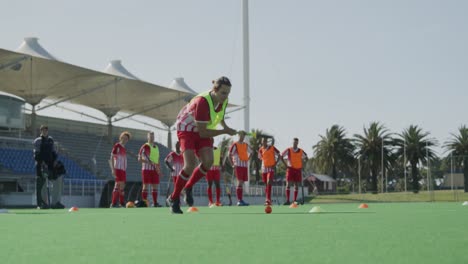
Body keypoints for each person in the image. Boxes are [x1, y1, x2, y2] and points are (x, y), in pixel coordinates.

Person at [166, 76, 237, 214]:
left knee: (208, 161)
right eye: (223, 93)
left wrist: (226, 127)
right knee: (189, 165)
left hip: (202, 128)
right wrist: (225, 131)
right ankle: (173, 198)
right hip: (187, 129)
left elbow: (219, 116)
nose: (226, 96)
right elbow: (203, 133)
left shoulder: (224, 100)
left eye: (228, 93)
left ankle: (189, 186)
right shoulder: (202, 102)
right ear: (214, 90)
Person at [33, 125, 65, 209]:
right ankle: (43, 203)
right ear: (41, 131)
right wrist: (42, 163)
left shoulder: (51, 140)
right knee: (43, 184)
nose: (45, 131)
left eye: (46, 130)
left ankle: (56, 202)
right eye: (43, 130)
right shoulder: (37, 141)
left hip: (51, 165)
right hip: (41, 166)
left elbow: (53, 152)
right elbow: (36, 155)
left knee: (58, 179)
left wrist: (55, 161)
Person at [281, 138, 308, 205]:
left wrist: (303, 165)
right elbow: (281, 156)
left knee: (296, 185)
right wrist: (286, 165)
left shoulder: (301, 151)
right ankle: (287, 200)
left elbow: (306, 158)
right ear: (292, 143)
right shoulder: (288, 150)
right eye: (294, 142)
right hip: (290, 169)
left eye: (296, 142)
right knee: (288, 184)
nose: (295, 144)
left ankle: (295, 200)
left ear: (297, 143)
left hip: (298, 169)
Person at [138, 131, 162, 207]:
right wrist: (148, 161)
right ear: (147, 137)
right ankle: (144, 202)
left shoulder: (156, 147)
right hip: (146, 169)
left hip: (154, 169)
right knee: (145, 186)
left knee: (155, 186)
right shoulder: (144, 146)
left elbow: (157, 160)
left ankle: (155, 203)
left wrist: (159, 170)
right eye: (150, 136)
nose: (152, 138)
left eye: (153, 136)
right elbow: (139, 159)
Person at [228, 131, 252, 206]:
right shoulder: (235, 144)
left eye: (243, 135)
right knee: (240, 182)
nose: (242, 137)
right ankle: (239, 200)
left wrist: (248, 159)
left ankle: (241, 199)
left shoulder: (245, 145)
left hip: (244, 165)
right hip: (238, 165)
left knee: (242, 182)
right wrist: (232, 164)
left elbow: (252, 152)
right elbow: (229, 154)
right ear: (238, 135)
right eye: (241, 135)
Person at [109, 131, 131, 208]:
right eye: (123, 138)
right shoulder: (117, 146)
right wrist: (112, 169)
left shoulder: (124, 148)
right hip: (117, 168)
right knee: (117, 185)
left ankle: (121, 203)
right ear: (120, 138)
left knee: (122, 186)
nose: (125, 140)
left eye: (126, 139)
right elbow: (111, 157)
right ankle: (113, 203)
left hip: (123, 170)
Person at [258, 137, 281, 206]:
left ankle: (268, 199)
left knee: (269, 182)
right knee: (266, 184)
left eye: (265, 141)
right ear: (261, 142)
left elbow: (279, 155)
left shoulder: (272, 147)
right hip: (264, 168)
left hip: (271, 168)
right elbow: (260, 158)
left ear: (267, 142)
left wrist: (275, 163)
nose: (264, 142)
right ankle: (267, 199)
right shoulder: (260, 149)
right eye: (263, 141)